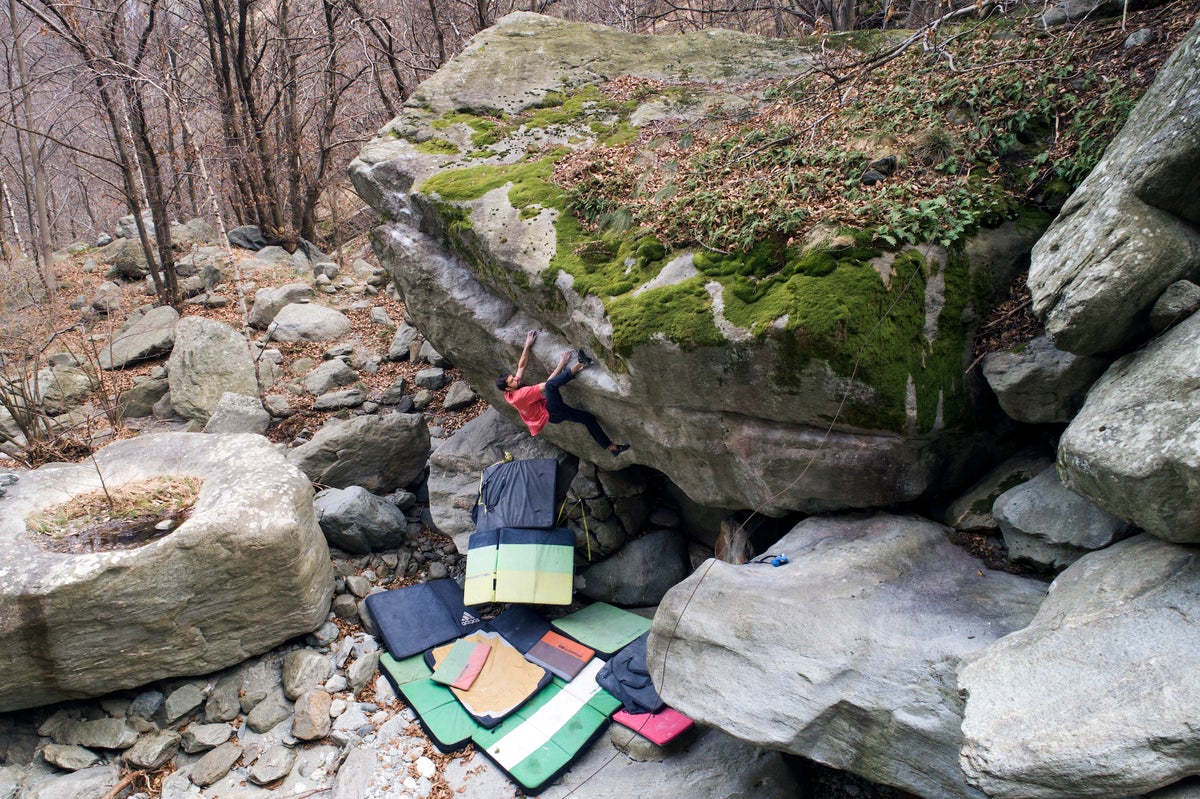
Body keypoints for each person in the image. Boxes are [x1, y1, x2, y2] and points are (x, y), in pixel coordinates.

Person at [496, 331, 630, 457]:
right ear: (508, 388)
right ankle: (581, 363)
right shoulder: (521, 395)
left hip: (553, 415)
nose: (515, 379)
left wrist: (527, 344)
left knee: (588, 418)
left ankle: (612, 448)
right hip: (552, 411)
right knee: (550, 386)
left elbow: (521, 366)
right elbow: (549, 384)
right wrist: (561, 364)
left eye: (512, 377)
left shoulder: (509, 393)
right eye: (511, 380)